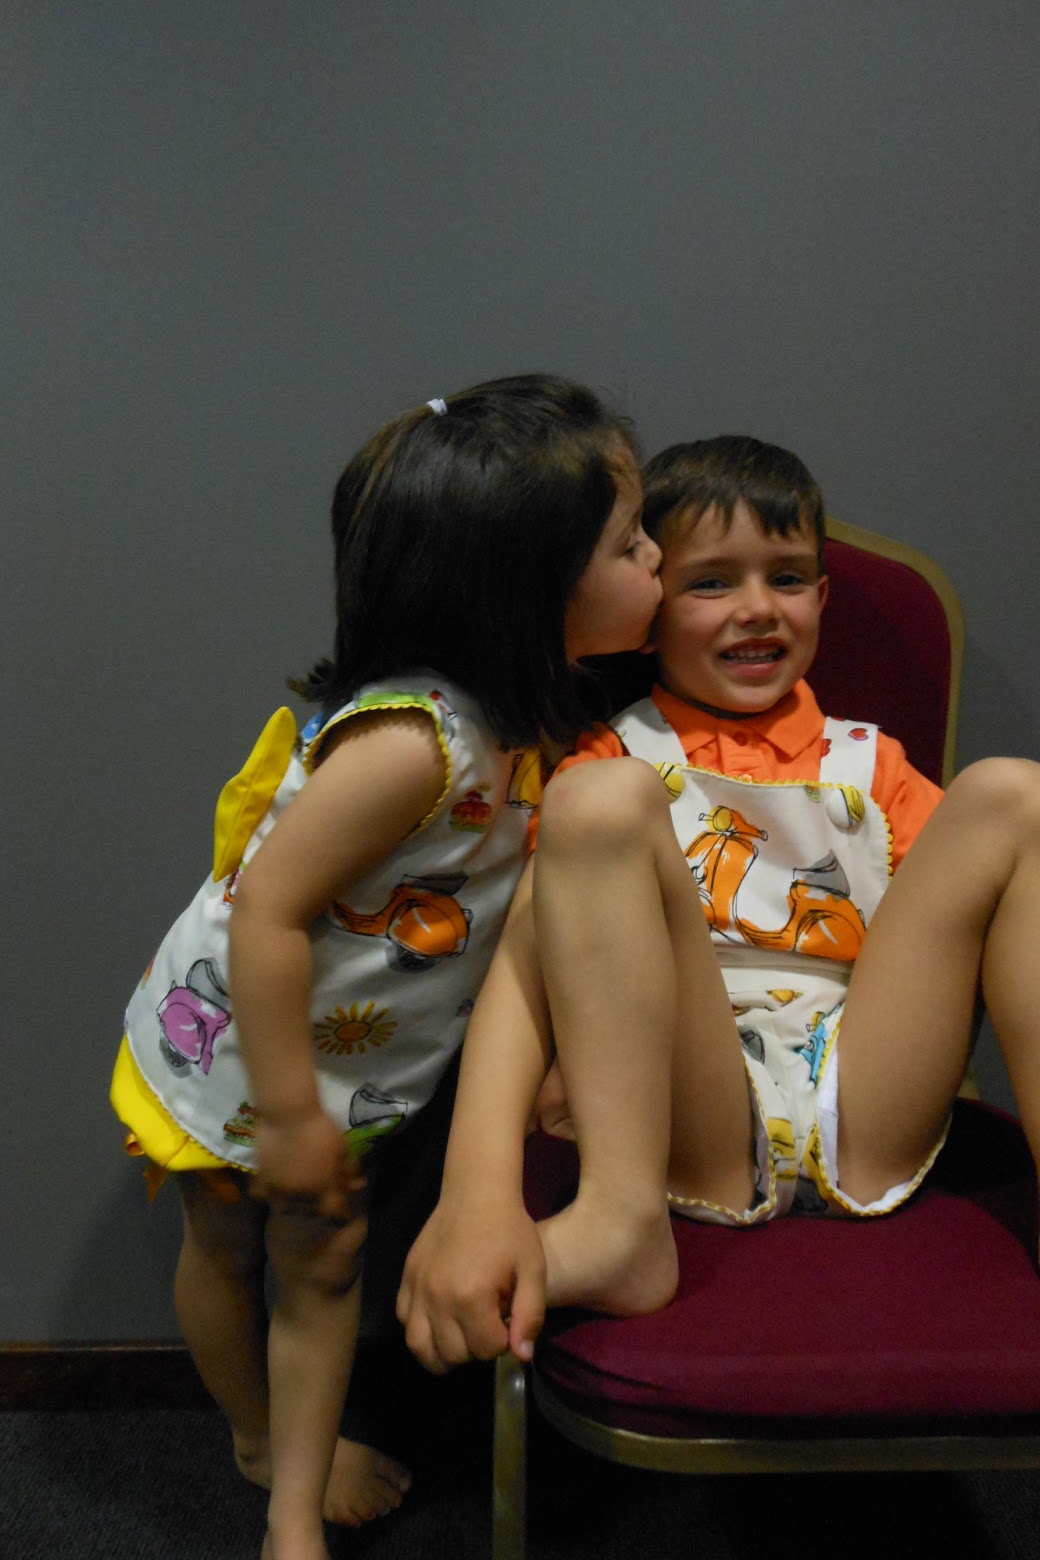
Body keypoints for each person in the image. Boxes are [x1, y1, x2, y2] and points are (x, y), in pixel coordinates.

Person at [398, 433, 1040, 1375]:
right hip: (688, 1112)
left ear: (822, 597)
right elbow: (526, 972)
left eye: (785, 578)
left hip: (870, 1095)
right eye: (710, 583)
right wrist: (475, 1192)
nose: (756, 608)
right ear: (651, 608)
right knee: (597, 801)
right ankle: (618, 1224)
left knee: (1021, 798)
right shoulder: (607, 764)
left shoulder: (873, 767)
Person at [110, 375, 663, 1560]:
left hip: (354, 1066)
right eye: (630, 545)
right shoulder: (418, 744)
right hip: (242, 1053)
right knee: (227, 1247)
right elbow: (267, 912)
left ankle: (290, 1517)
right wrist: (291, 1115)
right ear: (532, 589)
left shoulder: (540, 711)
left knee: (323, 1270)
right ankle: (259, 1441)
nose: (658, 559)